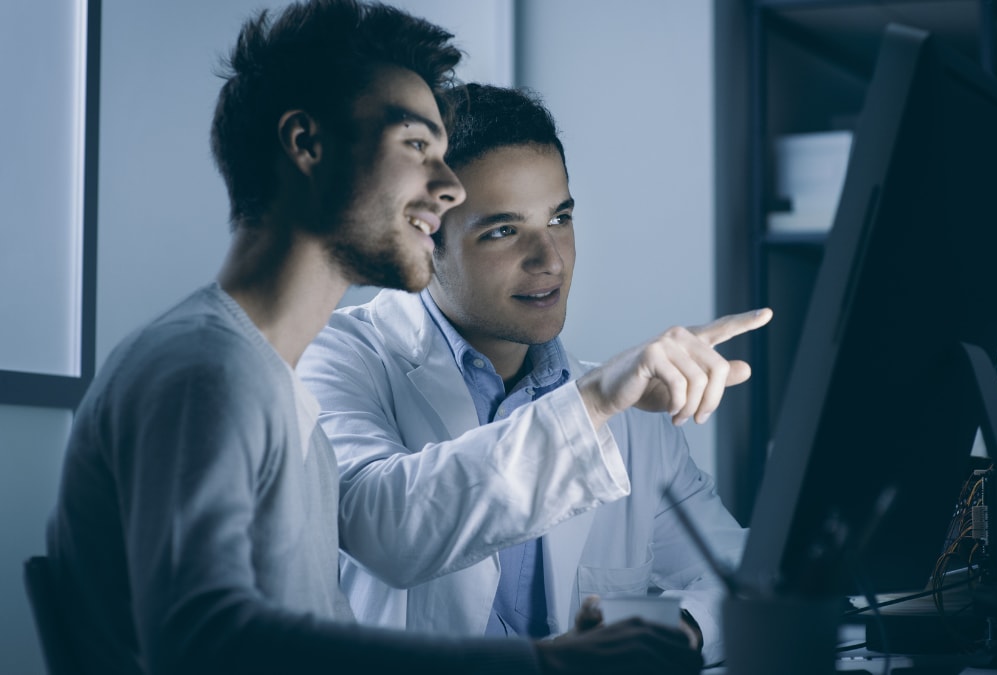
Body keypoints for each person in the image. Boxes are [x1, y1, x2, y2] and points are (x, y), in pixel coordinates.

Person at [44, 1, 767, 674]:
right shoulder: (206, 368)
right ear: (307, 145)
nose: (449, 186)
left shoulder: (262, 372)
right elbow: (206, 641)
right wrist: (546, 665)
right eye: (417, 144)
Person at [297, 83, 748, 665]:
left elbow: (737, 578)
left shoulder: (631, 412)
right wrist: (592, 404)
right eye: (503, 230)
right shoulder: (336, 356)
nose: (551, 259)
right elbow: (386, 529)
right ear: (421, 243)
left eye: (559, 218)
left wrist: (663, 630)